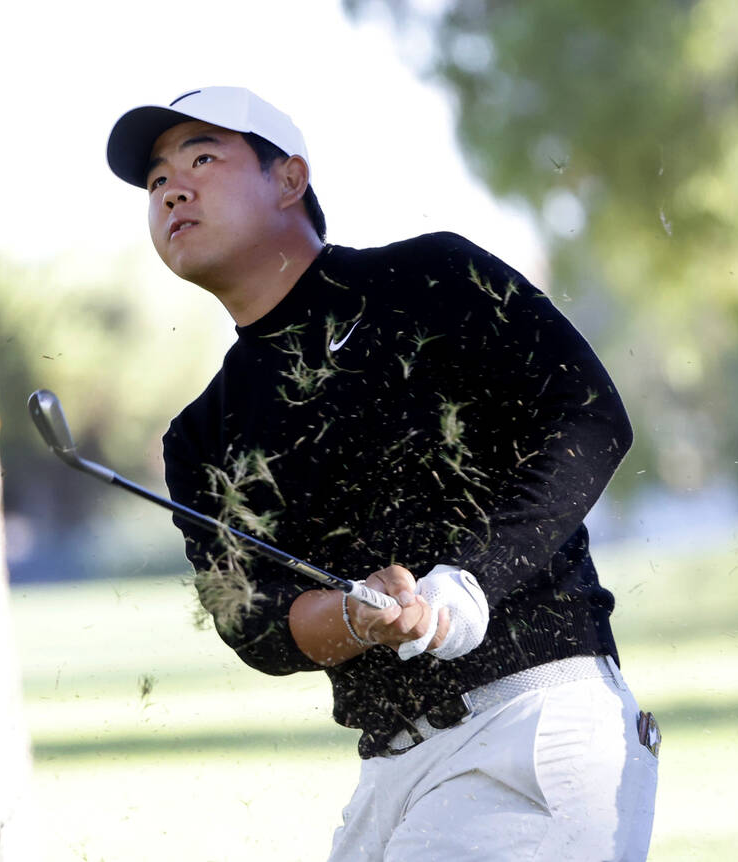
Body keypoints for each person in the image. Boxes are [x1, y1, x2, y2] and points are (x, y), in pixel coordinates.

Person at [106, 86, 659, 861]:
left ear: (290, 178)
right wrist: (358, 615)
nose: (174, 191)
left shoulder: (430, 278)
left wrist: (467, 581)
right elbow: (255, 625)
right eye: (158, 182)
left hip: (530, 728)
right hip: (388, 777)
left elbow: (591, 416)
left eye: (202, 158)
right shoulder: (200, 436)